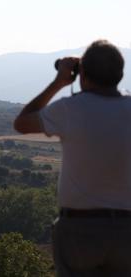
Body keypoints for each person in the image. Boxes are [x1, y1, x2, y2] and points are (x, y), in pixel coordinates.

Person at [14, 40, 131, 276]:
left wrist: (58, 83)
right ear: (120, 74)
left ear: (82, 74)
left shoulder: (70, 109)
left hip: (80, 228)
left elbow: (22, 122)